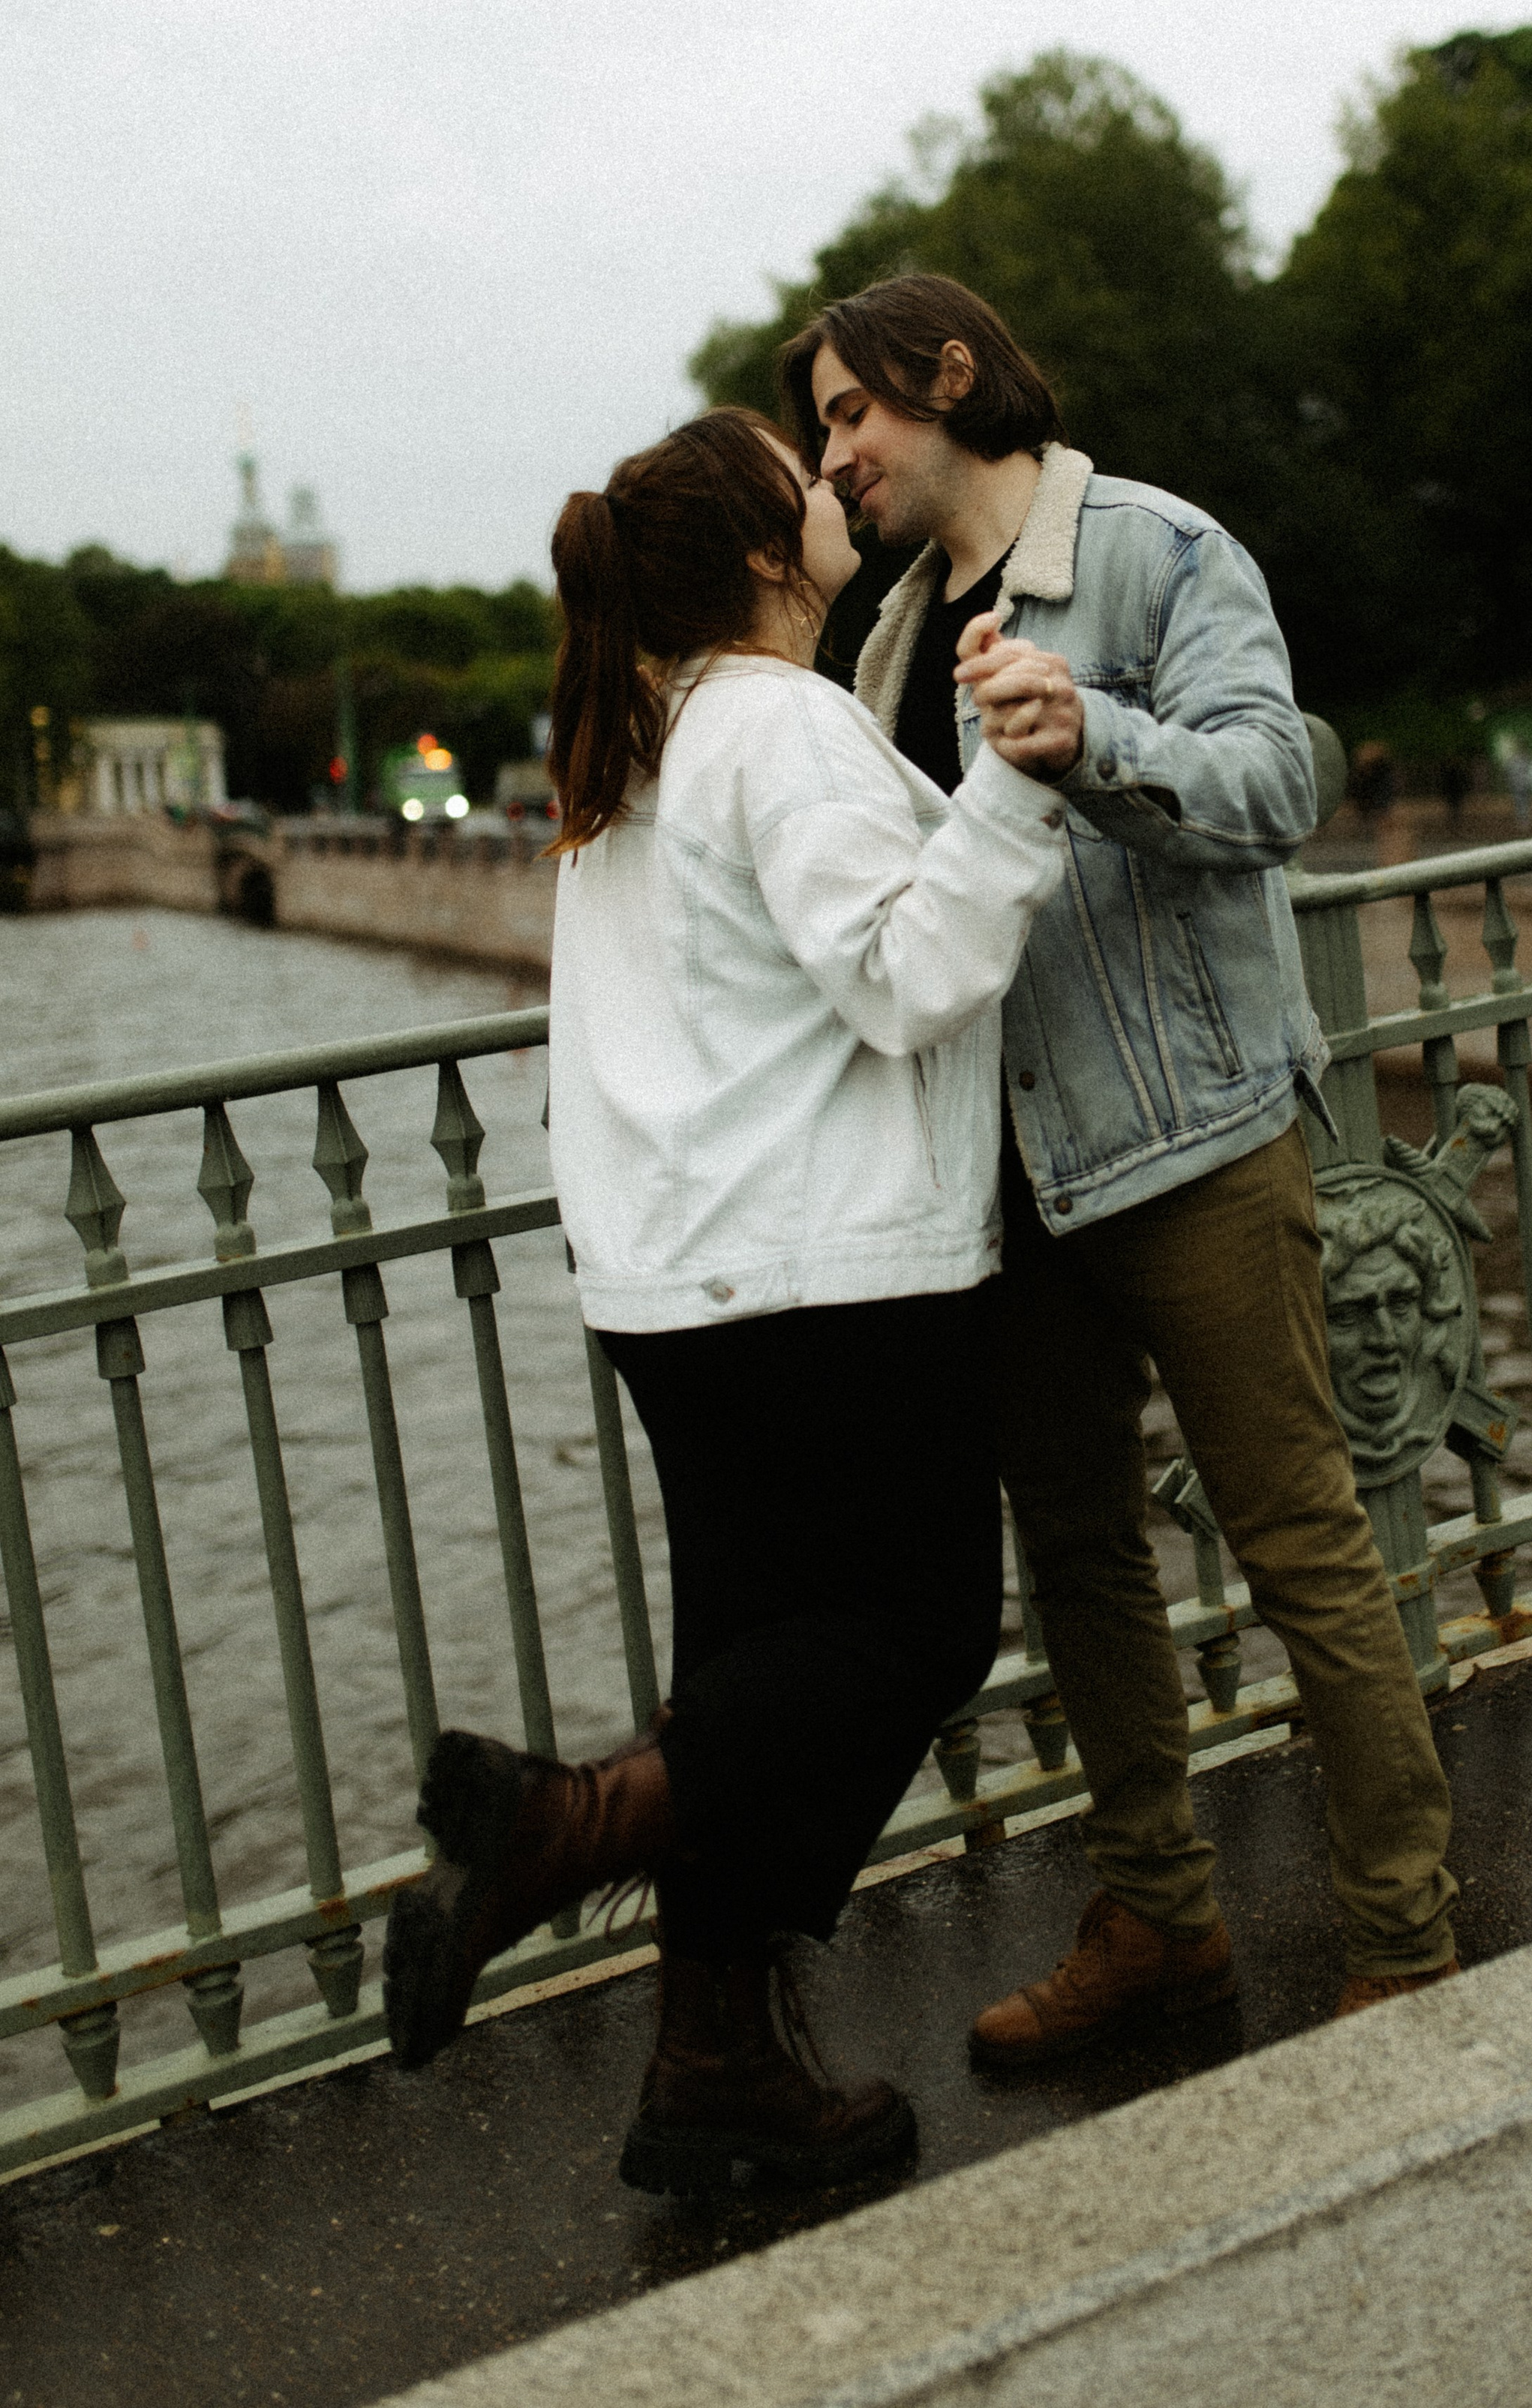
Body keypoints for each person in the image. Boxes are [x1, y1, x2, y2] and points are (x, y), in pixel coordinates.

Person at [380, 405, 1068, 2193]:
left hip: (675, 1283)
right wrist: (1009, 780)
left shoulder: (648, 745)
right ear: (772, 552)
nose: (833, 484)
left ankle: (711, 2067)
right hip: (822, 1272)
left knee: (757, 1669)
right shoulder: (778, 722)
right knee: (914, 1632)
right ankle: (562, 1826)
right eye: (804, 472)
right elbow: (908, 977)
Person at [778, 275, 1458, 2069]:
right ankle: (1159, 1920)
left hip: (1194, 1144)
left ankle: (1403, 1929)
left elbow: (1269, 789)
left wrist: (1096, 739)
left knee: (1299, 1540)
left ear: (946, 378)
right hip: (1002, 1178)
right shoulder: (886, 644)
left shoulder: (1157, 554)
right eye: (820, 430)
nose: (833, 455)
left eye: (850, 413)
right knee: (1078, 1559)